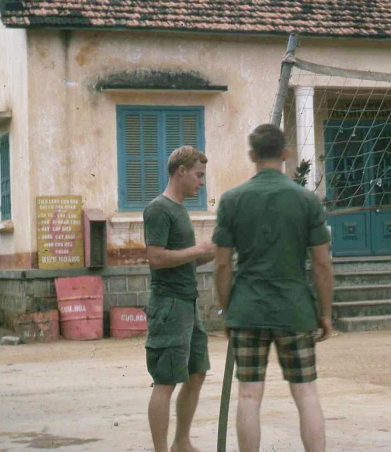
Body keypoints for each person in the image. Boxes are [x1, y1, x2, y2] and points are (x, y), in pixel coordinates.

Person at [213, 123, 335, 452]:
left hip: (247, 311)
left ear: (252, 155)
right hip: (295, 311)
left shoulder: (231, 200)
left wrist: (227, 310)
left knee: (249, 395)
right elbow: (322, 264)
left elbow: (222, 264)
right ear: (284, 154)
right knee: (306, 393)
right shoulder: (307, 200)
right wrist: (325, 314)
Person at [143, 145, 216, 452]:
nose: (201, 182)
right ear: (181, 171)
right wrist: (199, 251)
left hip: (188, 302)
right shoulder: (159, 209)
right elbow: (157, 258)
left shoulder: (180, 209)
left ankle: (181, 442)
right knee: (166, 381)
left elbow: (183, 259)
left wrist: (213, 251)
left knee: (197, 372)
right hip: (169, 305)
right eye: (198, 175)